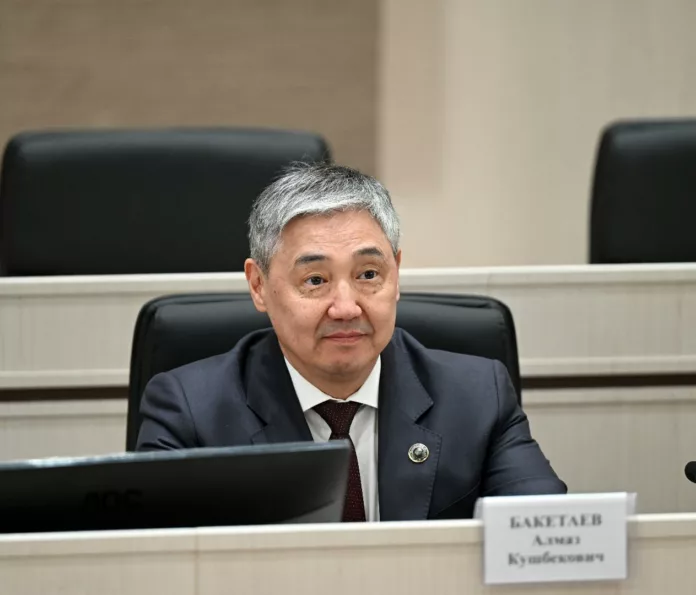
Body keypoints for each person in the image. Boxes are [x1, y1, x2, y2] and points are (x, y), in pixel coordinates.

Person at [137, 163, 566, 521]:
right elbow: (153, 565)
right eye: (315, 280)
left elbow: (545, 540)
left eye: (368, 275)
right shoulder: (190, 413)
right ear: (259, 286)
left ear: (396, 274)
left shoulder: (478, 396)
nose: (346, 307)